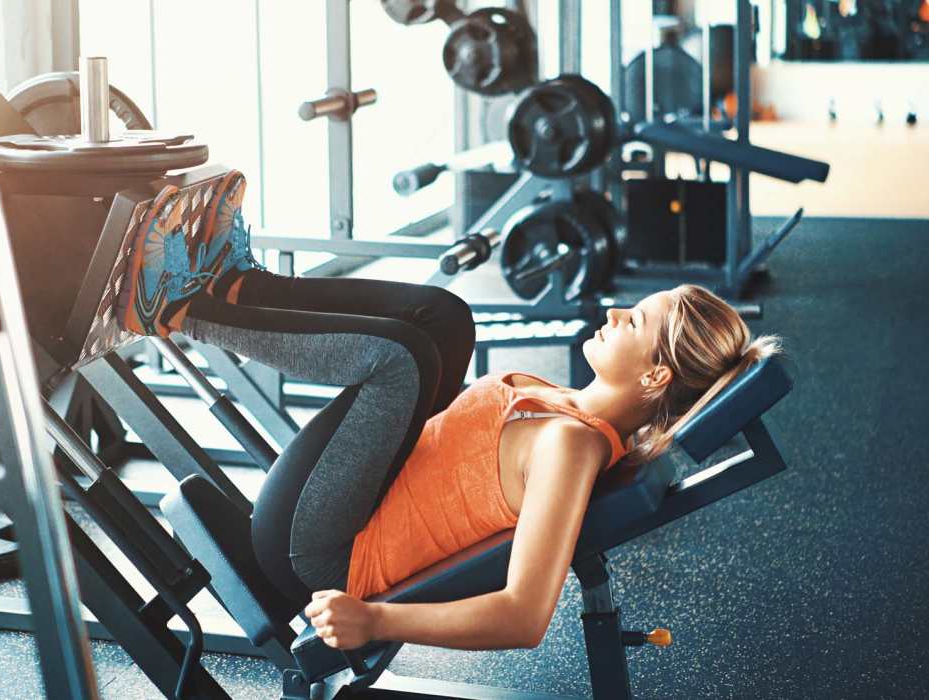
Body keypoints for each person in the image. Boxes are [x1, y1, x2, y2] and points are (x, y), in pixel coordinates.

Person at [117, 171, 780, 652]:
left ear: (657, 373)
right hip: (369, 500)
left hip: (323, 552)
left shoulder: (572, 447)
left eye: (632, 320)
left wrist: (375, 621)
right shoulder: (563, 406)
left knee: (399, 362)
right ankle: (235, 283)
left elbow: (524, 615)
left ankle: (179, 313)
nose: (612, 312)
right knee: (444, 318)